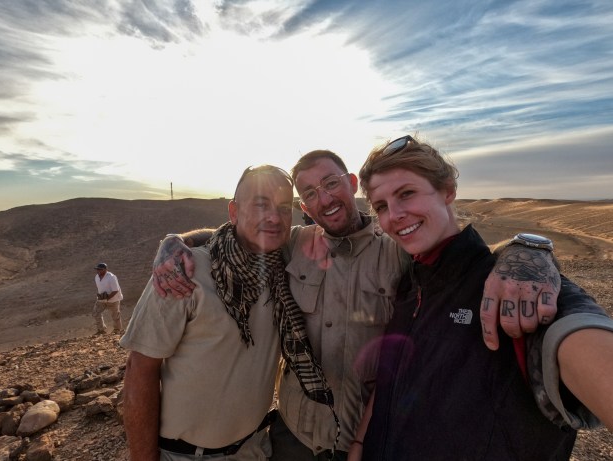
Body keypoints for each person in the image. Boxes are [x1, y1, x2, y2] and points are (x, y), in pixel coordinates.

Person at [152, 151, 563, 460]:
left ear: (351, 184)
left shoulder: (398, 249)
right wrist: (176, 241)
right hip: (292, 435)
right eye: (310, 193)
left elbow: (460, 257)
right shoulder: (293, 244)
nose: (324, 198)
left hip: (362, 439)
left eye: (331, 183)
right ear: (304, 208)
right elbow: (238, 234)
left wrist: (526, 251)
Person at [347, 135, 613, 460]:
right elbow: (392, 376)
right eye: (381, 206)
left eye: (407, 193)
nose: (395, 214)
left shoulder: (514, 287)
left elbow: (580, 340)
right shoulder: (409, 284)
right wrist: (360, 444)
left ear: (447, 190)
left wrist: (531, 252)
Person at [120, 165, 334, 461]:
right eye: (261, 205)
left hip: (254, 449)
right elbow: (140, 369)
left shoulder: (285, 264)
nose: (274, 218)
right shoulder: (183, 272)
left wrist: (180, 237)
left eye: (284, 208)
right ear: (233, 212)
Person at [92, 262, 123, 334]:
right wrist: (101, 297)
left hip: (113, 300)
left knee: (115, 316)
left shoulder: (111, 277)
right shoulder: (97, 277)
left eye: (100, 269)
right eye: (97, 269)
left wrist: (107, 298)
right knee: (96, 313)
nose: (98, 271)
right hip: (101, 299)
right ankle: (101, 330)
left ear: (105, 270)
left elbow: (115, 290)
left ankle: (117, 330)